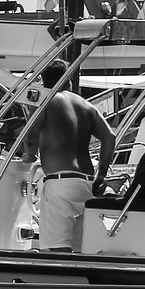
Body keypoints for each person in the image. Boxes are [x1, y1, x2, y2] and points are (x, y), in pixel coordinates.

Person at [25, 65, 119, 252]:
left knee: (57, 249)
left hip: (60, 183)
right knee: (79, 249)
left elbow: (30, 135)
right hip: (86, 184)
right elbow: (109, 137)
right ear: (68, 80)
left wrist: (29, 154)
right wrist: (101, 174)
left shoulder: (47, 101)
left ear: (44, 82)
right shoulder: (86, 106)